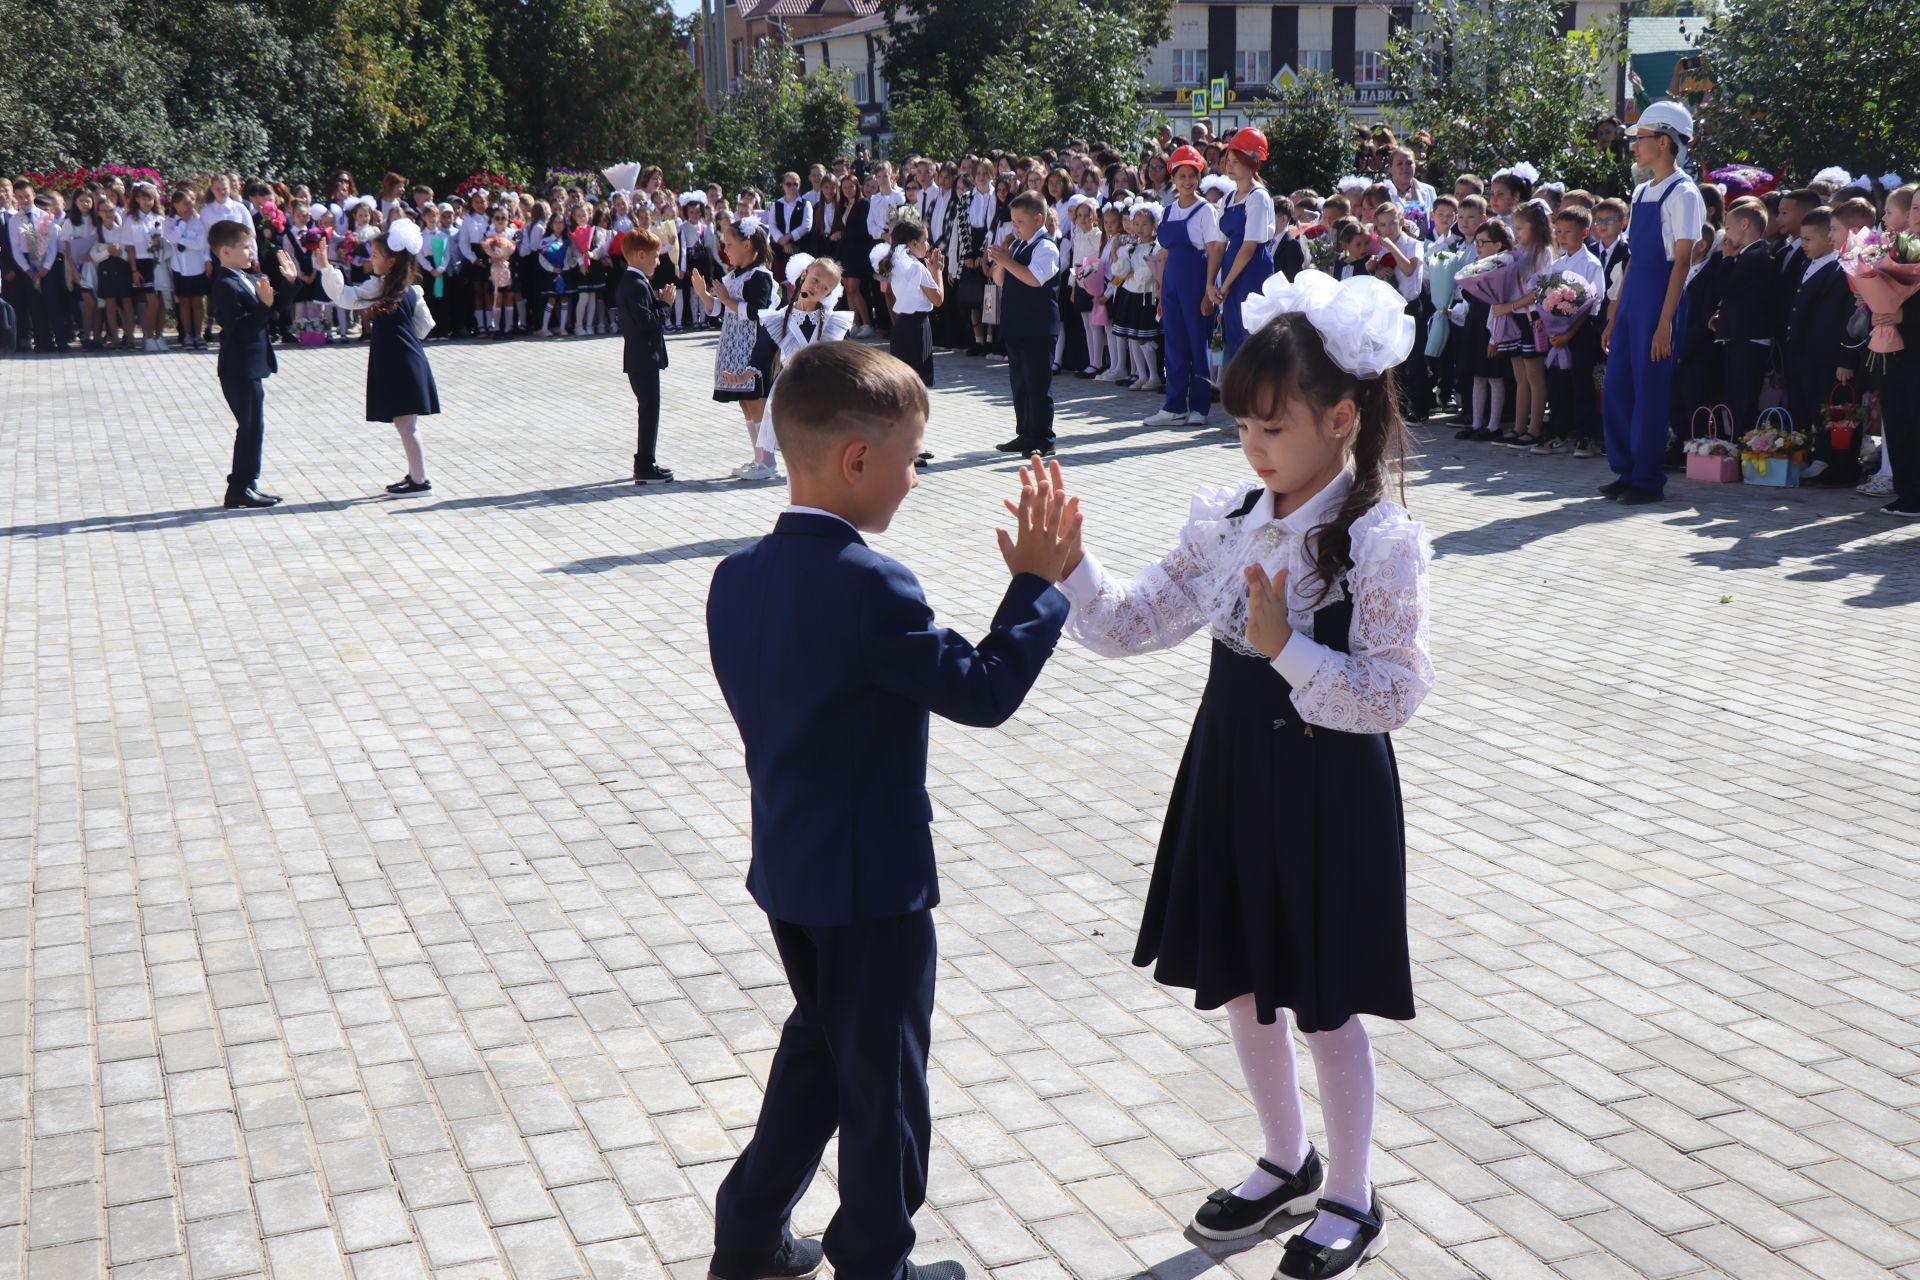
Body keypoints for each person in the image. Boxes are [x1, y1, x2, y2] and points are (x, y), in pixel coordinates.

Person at [1051, 268, 1427, 1279]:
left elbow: (1393, 694)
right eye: (1244, 429)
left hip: (1326, 787)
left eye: (1272, 429)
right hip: (1230, 768)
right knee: (1245, 984)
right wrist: (1072, 570)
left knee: (1325, 995)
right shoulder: (1226, 516)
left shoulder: (1377, 542)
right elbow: (1134, 622)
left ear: (1341, 418)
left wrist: (1288, 650)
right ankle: (1284, 1155)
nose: (1253, 450)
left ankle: (1352, 1189)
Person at [704, 341, 1078, 1280]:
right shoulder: (872, 583)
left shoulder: (735, 577)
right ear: (857, 460)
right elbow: (983, 691)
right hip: (874, 890)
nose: (916, 479)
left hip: (790, 871)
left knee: (822, 1056)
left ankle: (747, 1234)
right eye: (912, 458)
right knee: (884, 1084)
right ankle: (876, 1261)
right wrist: (1039, 584)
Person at [1601, 101, 1706, 505]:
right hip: (1633, 299)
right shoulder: (1641, 189)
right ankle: (1625, 470)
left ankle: (1646, 480)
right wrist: (1615, 312)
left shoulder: (1685, 193)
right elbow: (1633, 259)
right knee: (1618, 388)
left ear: (1663, 142)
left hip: (1661, 300)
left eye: (1640, 139)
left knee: (1650, 391)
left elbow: (1681, 262)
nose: (1634, 146)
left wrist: (1665, 322)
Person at [314, 219, 441, 495]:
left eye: (374, 256)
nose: (370, 261)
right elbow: (425, 325)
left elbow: (346, 297)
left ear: (392, 261)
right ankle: (416, 476)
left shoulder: (378, 289)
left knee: (406, 423)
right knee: (405, 421)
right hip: (409, 356)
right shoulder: (412, 290)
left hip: (398, 359)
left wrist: (326, 268)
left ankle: (420, 481)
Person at [207, 218, 295, 509]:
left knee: (253, 425)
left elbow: (273, 309)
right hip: (238, 366)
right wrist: (263, 306)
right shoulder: (224, 284)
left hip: (252, 365)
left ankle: (247, 484)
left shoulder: (243, 277)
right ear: (225, 252)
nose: (250, 252)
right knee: (249, 426)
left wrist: (288, 282)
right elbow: (239, 327)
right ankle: (239, 487)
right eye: (244, 247)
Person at [690, 215, 781, 482]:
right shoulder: (732, 276)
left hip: (754, 347)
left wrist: (727, 300)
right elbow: (719, 308)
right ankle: (758, 458)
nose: (725, 250)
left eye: (729, 244)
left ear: (747, 245)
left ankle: (769, 461)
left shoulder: (760, 276)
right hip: (734, 345)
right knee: (745, 401)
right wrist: (705, 295)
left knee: (757, 401)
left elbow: (757, 312)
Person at [1144, 145, 1226, 428]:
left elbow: (1214, 250)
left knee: (1198, 346)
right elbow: (1165, 253)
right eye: (1182, 175)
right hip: (1171, 286)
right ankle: (1174, 405)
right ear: (1174, 178)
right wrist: (1160, 289)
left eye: (1193, 174)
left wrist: (1209, 291)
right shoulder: (1167, 211)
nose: (1188, 180)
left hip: (1195, 284)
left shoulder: (1206, 211)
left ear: (1199, 177)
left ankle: (1200, 407)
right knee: (1174, 347)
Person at [1780, 207, 1857, 485]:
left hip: (1825, 353)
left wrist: (1843, 358)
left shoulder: (1839, 269)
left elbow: (1843, 316)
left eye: (1810, 239)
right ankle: (1811, 453)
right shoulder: (1806, 263)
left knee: (1825, 406)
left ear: (1829, 239)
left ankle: (1830, 460)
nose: (1803, 244)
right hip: (1800, 351)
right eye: (1802, 238)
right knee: (1803, 404)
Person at [985, 190, 1063, 457]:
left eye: (1020, 221)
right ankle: (1025, 433)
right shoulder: (1017, 246)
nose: (1015, 226)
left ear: (1038, 219)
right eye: (1013, 221)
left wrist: (1007, 261)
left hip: (1039, 327)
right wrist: (1000, 260)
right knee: (1019, 382)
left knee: (1038, 384)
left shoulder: (1046, 247)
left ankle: (1043, 437)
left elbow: (1034, 279)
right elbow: (999, 280)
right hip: (1016, 324)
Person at [1537, 206, 1604, 456]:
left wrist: (1570, 332)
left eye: (1569, 231)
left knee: (1581, 382)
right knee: (1557, 382)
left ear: (1585, 232)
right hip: (1557, 331)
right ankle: (1559, 433)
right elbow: (1545, 296)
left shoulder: (1591, 263)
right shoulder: (1557, 264)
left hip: (1581, 330)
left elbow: (1591, 302)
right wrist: (1547, 321)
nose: (1562, 237)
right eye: (1559, 231)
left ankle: (1586, 436)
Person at [614, 228, 676, 484]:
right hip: (642, 358)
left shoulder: (634, 282)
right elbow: (647, 322)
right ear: (640, 255)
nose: (658, 261)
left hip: (640, 358)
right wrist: (664, 305)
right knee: (649, 411)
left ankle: (645, 460)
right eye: (655, 256)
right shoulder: (636, 284)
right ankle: (644, 465)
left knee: (648, 409)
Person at [1212, 128, 1277, 367]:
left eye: (1236, 161)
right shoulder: (1227, 199)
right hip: (1232, 269)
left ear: (1253, 162)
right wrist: (1212, 284)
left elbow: (1249, 248)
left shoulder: (1258, 197)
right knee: (1234, 333)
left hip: (1251, 271)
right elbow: (1218, 246)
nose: (1229, 166)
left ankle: (1255, 398)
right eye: (1228, 160)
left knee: (1251, 334)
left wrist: (1224, 284)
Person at [873, 221, 943, 389]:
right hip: (918, 327)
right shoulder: (916, 267)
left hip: (901, 326)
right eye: (924, 240)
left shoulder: (896, 262)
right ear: (913, 243)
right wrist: (937, 272)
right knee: (919, 385)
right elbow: (938, 299)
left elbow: (892, 293)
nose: (927, 244)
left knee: (901, 384)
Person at [1108, 201, 1163, 392]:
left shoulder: (1156, 247)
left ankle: (1154, 376)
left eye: (1144, 224)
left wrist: (1132, 274)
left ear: (1154, 225)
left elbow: (1147, 272)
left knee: (1144, 338)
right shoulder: (1132, 247)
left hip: (1145, 296)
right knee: (1133, 337)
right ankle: (1141, 375)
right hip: (1130, 294)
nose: (1139, 228)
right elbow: (1120, 270)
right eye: (1136, 223)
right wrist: (1115, 253)